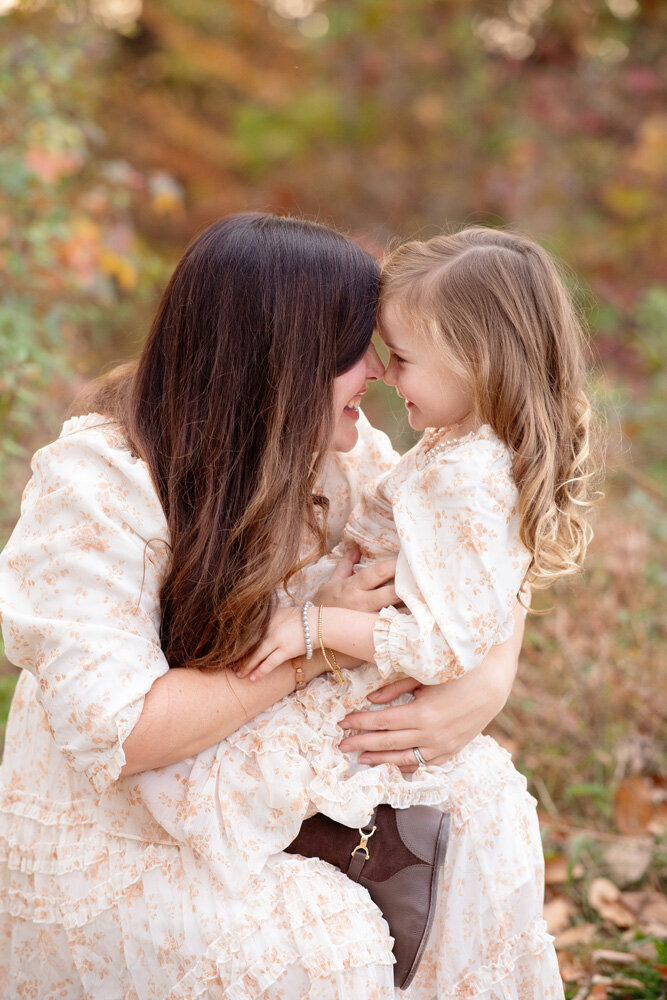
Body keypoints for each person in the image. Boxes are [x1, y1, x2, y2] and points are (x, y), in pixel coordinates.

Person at [0, 214, 522, 999]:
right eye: (356, 348)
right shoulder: (98, 489)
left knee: (485, 801)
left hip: (241, 794)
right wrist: (318, 643)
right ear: (284, 357)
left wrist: (488, 686)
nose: (378, 372)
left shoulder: (329, 456)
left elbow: (480, 560)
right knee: (327, 949)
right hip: (114, 838)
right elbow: (128, 731)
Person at [238, 227, 599, 997]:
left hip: (372, 695)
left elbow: (438, 646)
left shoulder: (464, 474)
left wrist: (311, 625)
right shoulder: (463, 448)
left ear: (477, 359)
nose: (382, 371)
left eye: (400, 357)